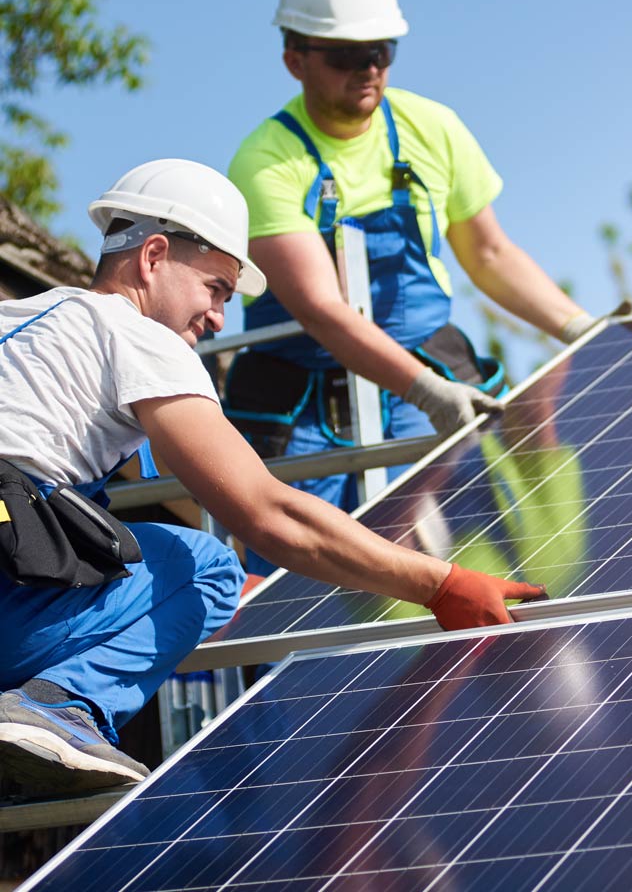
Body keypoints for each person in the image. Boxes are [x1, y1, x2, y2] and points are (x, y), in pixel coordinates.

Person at [0, 158, 546, 797]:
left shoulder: (25, 326)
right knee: (208, 567)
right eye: (216, 288)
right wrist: (441, 583)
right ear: (152, 257)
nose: (219, 320)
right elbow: (266, 512)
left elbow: (168, 485)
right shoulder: (137, 337)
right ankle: (58, 709)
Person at [227, 0, 606, 526]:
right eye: (347, 55)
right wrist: (426, 390)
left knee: (475, 544)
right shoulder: (265, 162)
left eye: (382, 51)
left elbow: (490, 252)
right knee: (309, 579)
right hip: (306, 413)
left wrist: (581, 330)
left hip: (427, 381)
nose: (369, 68)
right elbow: (323, 310)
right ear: (294, 60)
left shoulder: (433, 128)